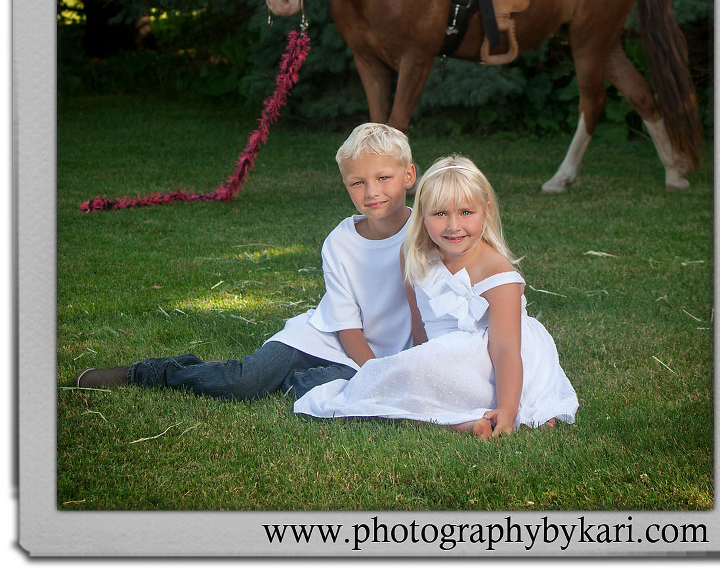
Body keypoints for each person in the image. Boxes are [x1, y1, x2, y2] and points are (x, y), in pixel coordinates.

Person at [75, 123, 417, 400]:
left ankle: (266, 374)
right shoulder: (340, 242)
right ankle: (144, 373)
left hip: (375, 359)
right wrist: (377, 373)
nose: (371, 192)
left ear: (409, 175)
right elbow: (347, 329)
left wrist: (389, 370)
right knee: (240, 385)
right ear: (345, 185)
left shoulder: (426, 234)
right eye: (358, 182)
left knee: (313, 388)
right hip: (321, 340)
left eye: (383, 178)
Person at [294, 154, 579, 438]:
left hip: (499, 363)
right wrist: (424, 365)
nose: (453, 226)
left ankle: (508, 407)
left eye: (466, 213)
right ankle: (461, 422)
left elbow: (505, 349)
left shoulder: (498, 271)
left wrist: (507, 408)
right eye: (440, 214)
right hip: (447, 359)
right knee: (404, 383)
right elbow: (420, 326)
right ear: (422, 215)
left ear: (487, 210)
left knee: (409, 386)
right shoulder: (415, 256)